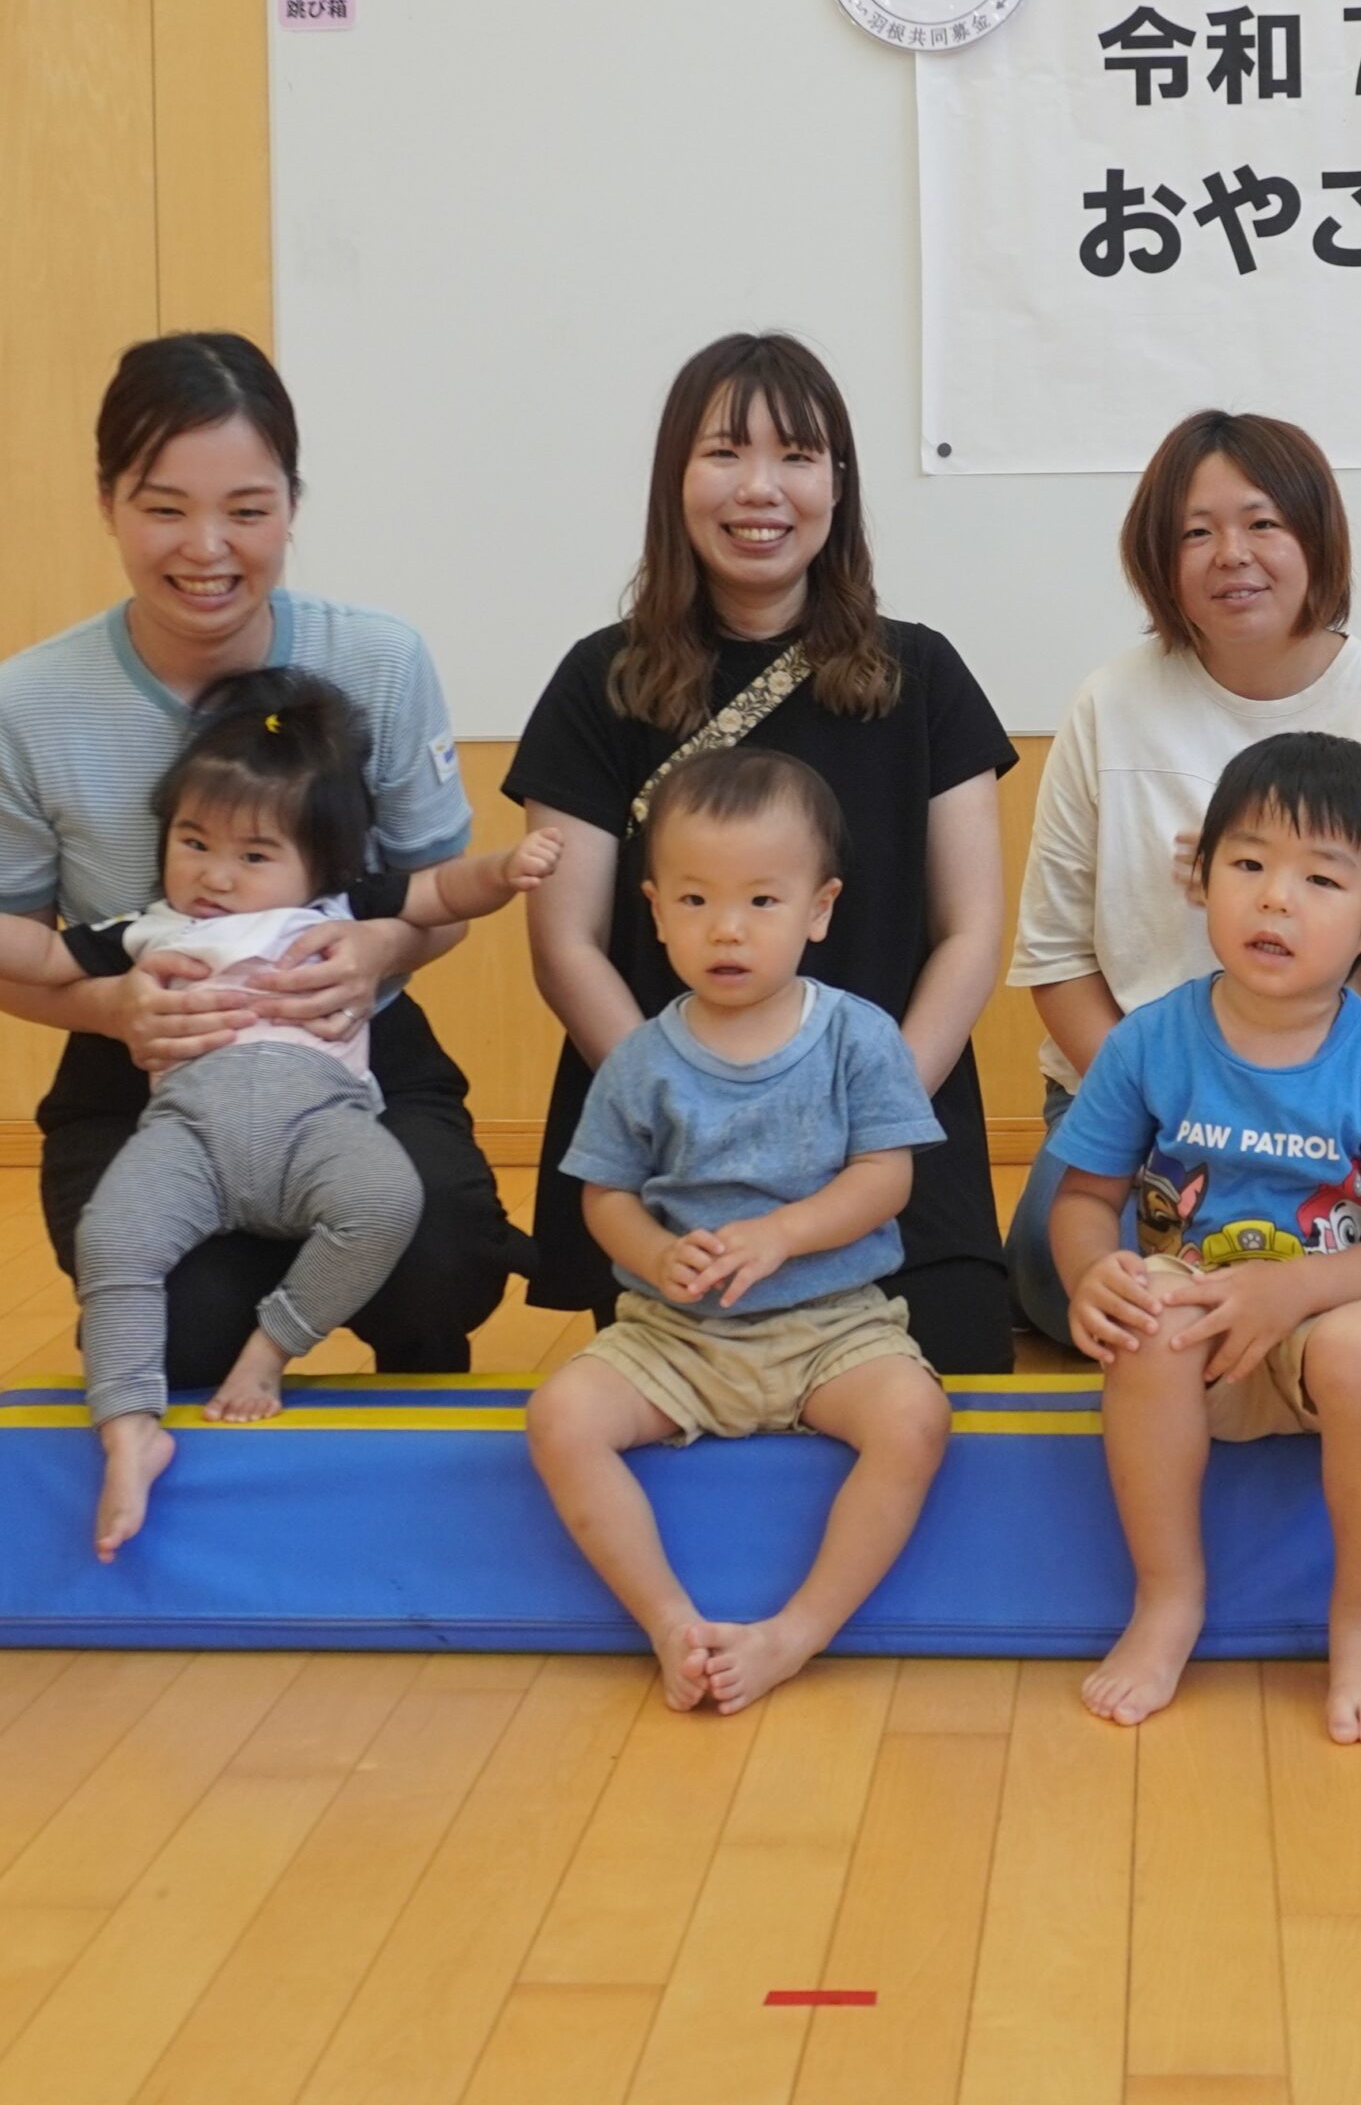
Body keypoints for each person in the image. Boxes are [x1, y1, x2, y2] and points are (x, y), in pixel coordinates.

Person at [0, 332, 525, 1393]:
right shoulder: (29, 702)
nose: (208, 549)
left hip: (345, 1047)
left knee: (439, 1258)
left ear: (292, 503)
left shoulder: (379, 659)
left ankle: (416, 1365)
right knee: (180, 1324)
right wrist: (115, 1010)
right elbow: (24, 950)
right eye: (164, 508)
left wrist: (375, 951)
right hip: (142, 1071)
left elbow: (439, 899)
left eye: (247, 510)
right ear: (107, 501)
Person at [508, 332, 1018, 1374]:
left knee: (953, 1369)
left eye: (796, 454)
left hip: (887, 1139)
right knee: (665, 1392)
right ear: (675, 477)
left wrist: (870, 1120)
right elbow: (567, 944)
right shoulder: (599, 682)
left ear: (838, 482)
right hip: (667, 1152)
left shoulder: (923, 673)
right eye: (724, 452)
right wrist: (678, 1107)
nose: (760, 488)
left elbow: (971, 931)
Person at [0, 670, 559, 1557]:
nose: (214, 876)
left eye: (254, 856)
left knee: (389, 1201)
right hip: (186, 1139)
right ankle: (129, 1426)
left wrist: (505, 868)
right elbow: (36, 955)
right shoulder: (149, 928)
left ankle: (271, 1347)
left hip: (320, 1129)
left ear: (320, 866)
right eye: (193, 843)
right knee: (115, 1238)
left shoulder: (335, 912)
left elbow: (444, 895)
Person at [1008, 409, 1361, 1345]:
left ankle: (1343, 1293)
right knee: (1052, 1266)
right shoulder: (1112, 702)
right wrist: (1157, 1098)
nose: (1231, 554)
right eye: (1196, 532)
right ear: (1158, 559)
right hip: (1138, 1091)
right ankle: (1334, 1297)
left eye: (1263, 523)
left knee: (1223, 1297)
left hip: (1343, 1102)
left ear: (1316, 536)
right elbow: (1055, 957)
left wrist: (1329, 896)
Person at [1050, 733, 1361, 1744]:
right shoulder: (1148, 1040)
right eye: (1247, 864)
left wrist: (1292, 1292)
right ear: (1201, 880)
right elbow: (1082, 1199)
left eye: (1320, 880)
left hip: (1346, 1322)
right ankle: (1167, 1600)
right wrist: (1093, 1271)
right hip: (1208, 1334)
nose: (1275, 899)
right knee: (1149, 1320)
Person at [524, 749, 953, 1716]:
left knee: (915, 1420)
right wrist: (654, 1252)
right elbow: (606, 1198)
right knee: (561, 1418)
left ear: (819, 909)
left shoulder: (857, 1037)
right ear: (654, 910)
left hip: (833, 1325)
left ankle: (797, 1632)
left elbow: (886, 1179)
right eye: (695, 900)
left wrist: (784, 1235)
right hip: (677, 1336)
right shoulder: (640, 1059)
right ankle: (671, 1622)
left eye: (762, 901)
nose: (727, 928)